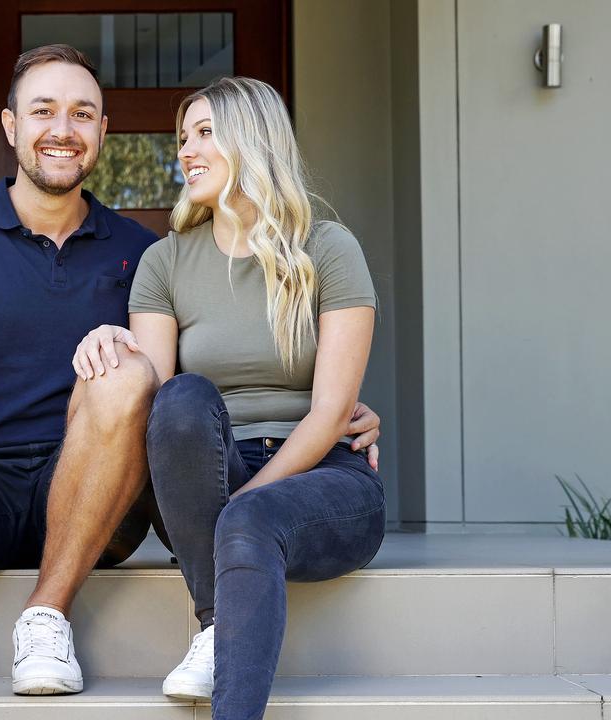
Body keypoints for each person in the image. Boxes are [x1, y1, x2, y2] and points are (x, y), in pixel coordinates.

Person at [0, 44, 382, 719]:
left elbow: (177, 393)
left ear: (103, 133)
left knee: (127, 378)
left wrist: (335, 407)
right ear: (10, 125)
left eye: (82, 113)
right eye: (43, 110)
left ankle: (49, 613)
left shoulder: (139, 251)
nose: (62, 128)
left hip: (95, 494)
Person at [72, 77, 384, 719]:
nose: (186, 150)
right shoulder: (164, 263)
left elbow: (330, 411)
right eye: (182, 138)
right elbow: (155, 406)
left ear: (255, 139)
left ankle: (221, 644)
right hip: (207, 473)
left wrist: (236, 508)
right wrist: (113, 343)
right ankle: (221, 618)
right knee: (181, 396)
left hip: (325, 476)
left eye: (205, 133)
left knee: (249, 520)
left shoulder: (329, 251)